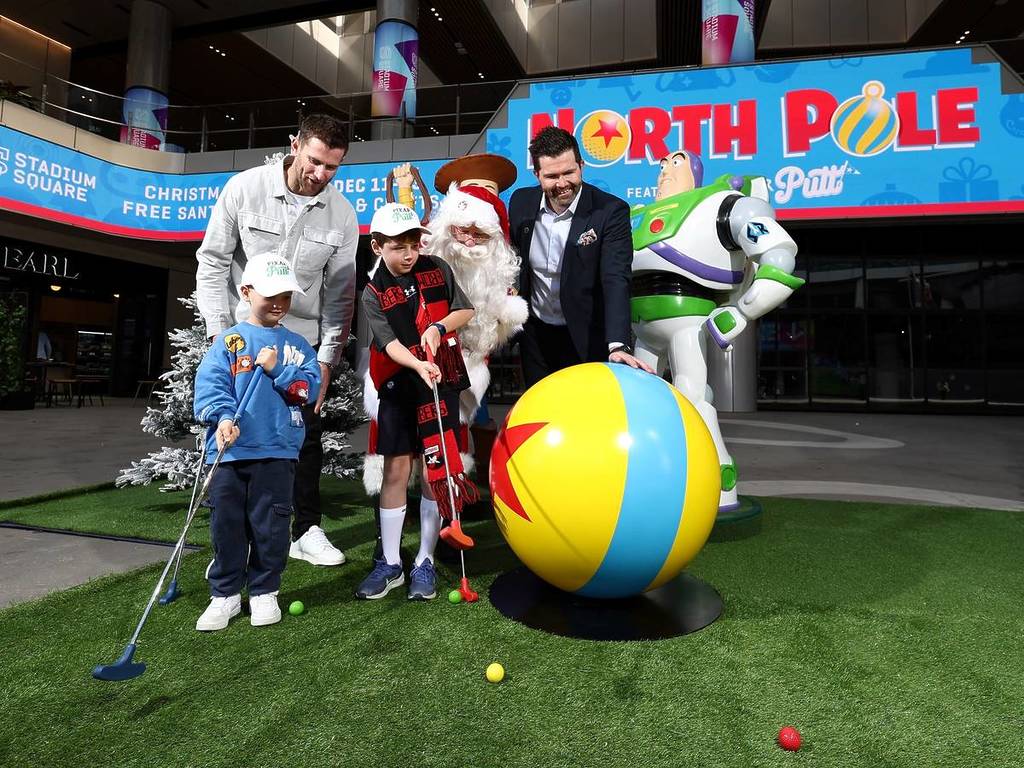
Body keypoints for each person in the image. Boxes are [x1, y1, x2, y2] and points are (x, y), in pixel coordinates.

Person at [196, 113, 357, 567]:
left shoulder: (342, 214)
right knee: (232, 435)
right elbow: (212, 262)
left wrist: (325, 362)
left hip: (299, 341)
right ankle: (232, 543)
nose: (320, 175)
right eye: (314, 162)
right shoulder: (243, 188)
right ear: (294, 145)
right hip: (237, 337)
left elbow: (340, 294)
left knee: (302, 438)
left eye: (332, 167)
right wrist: (219, 337)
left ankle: (306, 530)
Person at [631, 149, 801, 512]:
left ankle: (719, 480)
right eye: (661, 165)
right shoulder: (633, 216)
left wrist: (745, 310)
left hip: (688, 321)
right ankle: (650, 479)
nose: (664, 171)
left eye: (675, 163)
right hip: (640, 326)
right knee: (637, 406)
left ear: (694, 170)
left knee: (692, 402)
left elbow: (778, 251)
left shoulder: (721, 204)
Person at [193, 253, 321, 630]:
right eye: (270, 295)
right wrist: (224, 417)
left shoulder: (297, 346)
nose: (279, 303)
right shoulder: (230, 342)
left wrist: (277, 368)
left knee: (271, 525)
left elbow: (307, 390)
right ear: (246, 291)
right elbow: (210, 387)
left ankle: (265, 591)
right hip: (229, 453)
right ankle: (226, 595)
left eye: (286, 295)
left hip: (277, 451)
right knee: (226, 525)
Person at [357, 203, 475, 601]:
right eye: (397, 246)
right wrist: (418, 363)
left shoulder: (437, 267)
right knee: (396, 469)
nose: (408, 254)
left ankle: (424, 560)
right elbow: (389, 344)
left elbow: (465, 310)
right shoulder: (372, 294)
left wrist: (439, 329)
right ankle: (390, 563)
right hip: (399, 381)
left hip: (441, 379)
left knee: (434, 471)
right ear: (377, 247)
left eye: (413, 243)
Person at [508, 126, 653, 386]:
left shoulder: (609, 211)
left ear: (582, 166)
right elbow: (514, 258)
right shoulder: (520, 203)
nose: (562, 184)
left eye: (569, 172)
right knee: (541, 410)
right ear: (537, 175)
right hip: (536, 335)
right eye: (552, 176)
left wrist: (618, 344)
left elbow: (615, 277)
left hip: (586, 334)